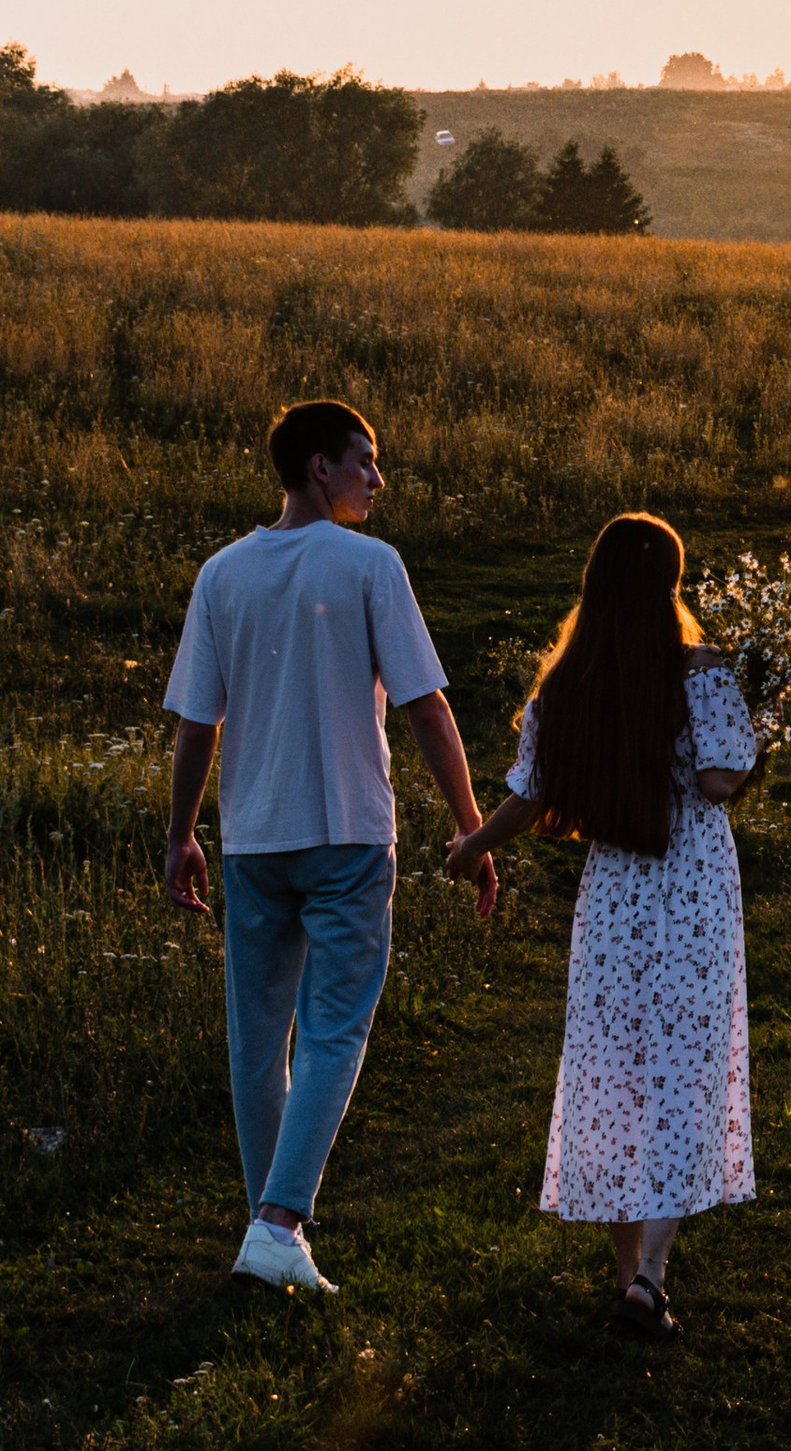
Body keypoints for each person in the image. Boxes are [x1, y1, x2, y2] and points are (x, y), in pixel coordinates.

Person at [164, 398, 495, 1294]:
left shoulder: (222, 574)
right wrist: (471, 824)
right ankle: (278, 1222)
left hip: (255, 840)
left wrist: (182, 835)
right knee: (335, 1030)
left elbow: (199, 726)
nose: (377, 479)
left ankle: (270, 1233)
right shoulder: (369, 566)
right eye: (366, 460)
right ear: (320, 466)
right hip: (349, 831)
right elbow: (427, 708)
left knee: (256, 1041)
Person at [444, 509, 758, 1338]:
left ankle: (631, 1277)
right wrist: (743, 710)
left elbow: (535, 795)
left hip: (616, 896)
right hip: (691, 889)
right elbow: (723, 781)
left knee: (619, 1070)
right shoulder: (700, 672)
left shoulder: (566, 684)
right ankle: (649, 1277)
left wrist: (473, 844)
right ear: (671, 586)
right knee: (686, 1069)